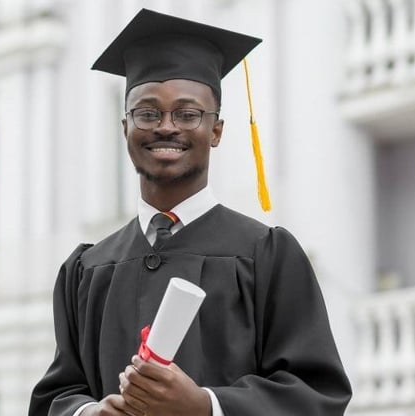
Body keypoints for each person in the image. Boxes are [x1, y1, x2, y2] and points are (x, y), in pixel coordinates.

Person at [29, 8, 352, 416]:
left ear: (216, 130)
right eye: (146, 113)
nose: (166, 126)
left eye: (187, 114)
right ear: (125, 127)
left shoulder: (267, 255)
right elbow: (57, 395)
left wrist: (207, 406)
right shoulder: (87, 269)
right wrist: (87, 413)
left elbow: (316, 394)